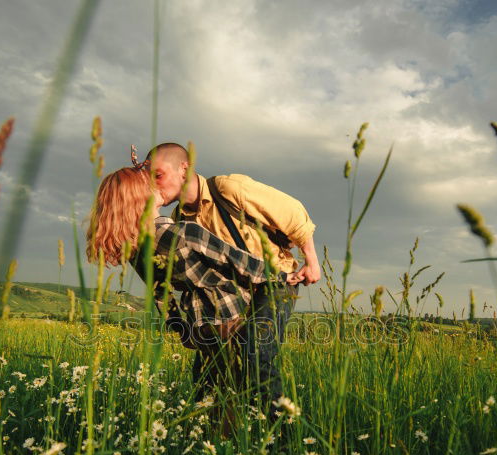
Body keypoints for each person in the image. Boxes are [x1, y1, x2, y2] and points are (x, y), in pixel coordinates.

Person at [85, 166, 297, 425]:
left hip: (201, 327)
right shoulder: (184, 232)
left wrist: (182, 330)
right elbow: (242, 263)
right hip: (235, 315)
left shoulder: (135, 247)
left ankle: (217, 445)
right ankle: (280, 436)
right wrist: (285, 277)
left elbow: (160, 294)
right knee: (255, 381)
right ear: (141, 197)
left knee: (214, 396)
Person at [145, 142, 321, 417]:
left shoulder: (229, 188)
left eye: (158, 175)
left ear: (184, 168)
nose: (153, 186)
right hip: (234, 293)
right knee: (212, 360)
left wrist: (311, 261)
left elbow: (293, 211)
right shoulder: (179, 219)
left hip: (276, 280)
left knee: (256, 347)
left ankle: (280, 434)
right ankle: (216, 434)